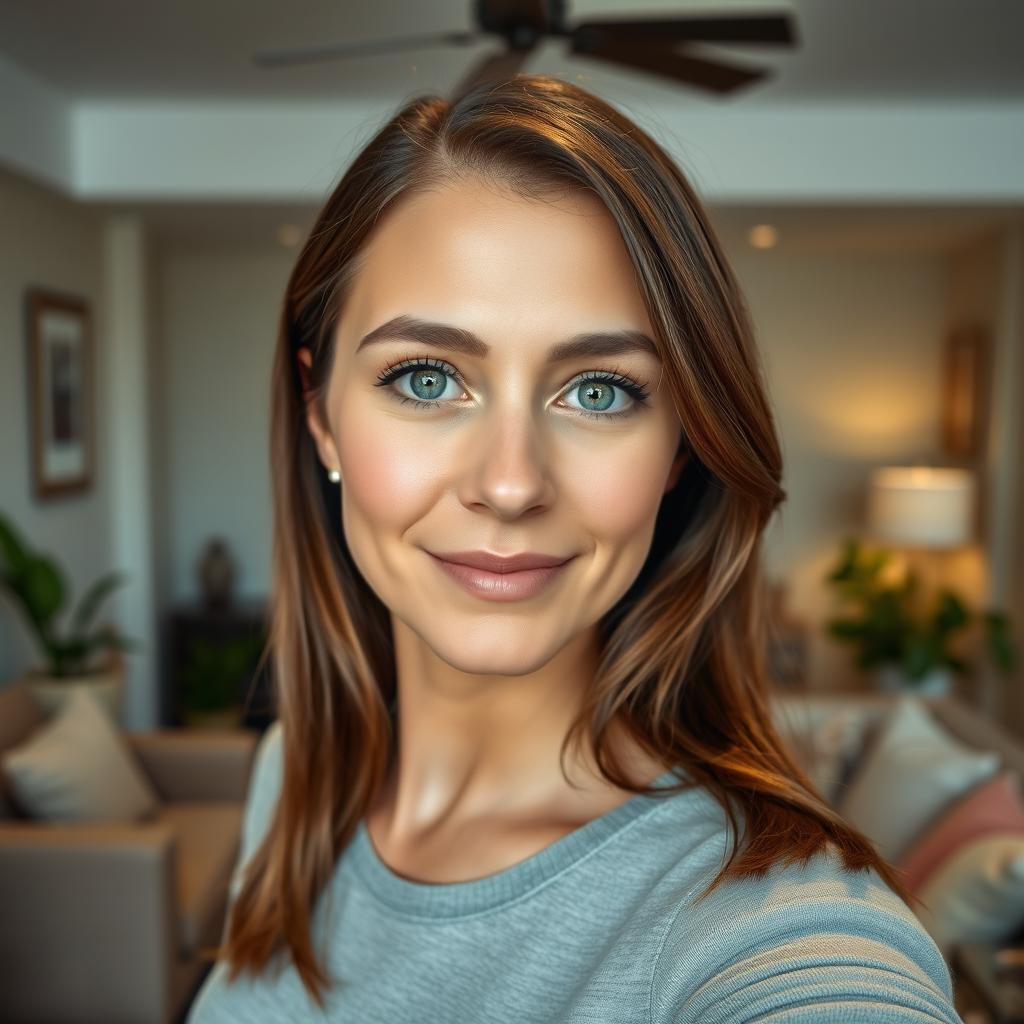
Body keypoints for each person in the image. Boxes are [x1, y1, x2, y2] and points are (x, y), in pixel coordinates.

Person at [186, 74, 963, 1023]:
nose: (511, 485)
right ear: (321, 414)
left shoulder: (770, 926)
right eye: (427, 379)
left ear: (682, 443)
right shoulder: (299, 774)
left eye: (598, 390)